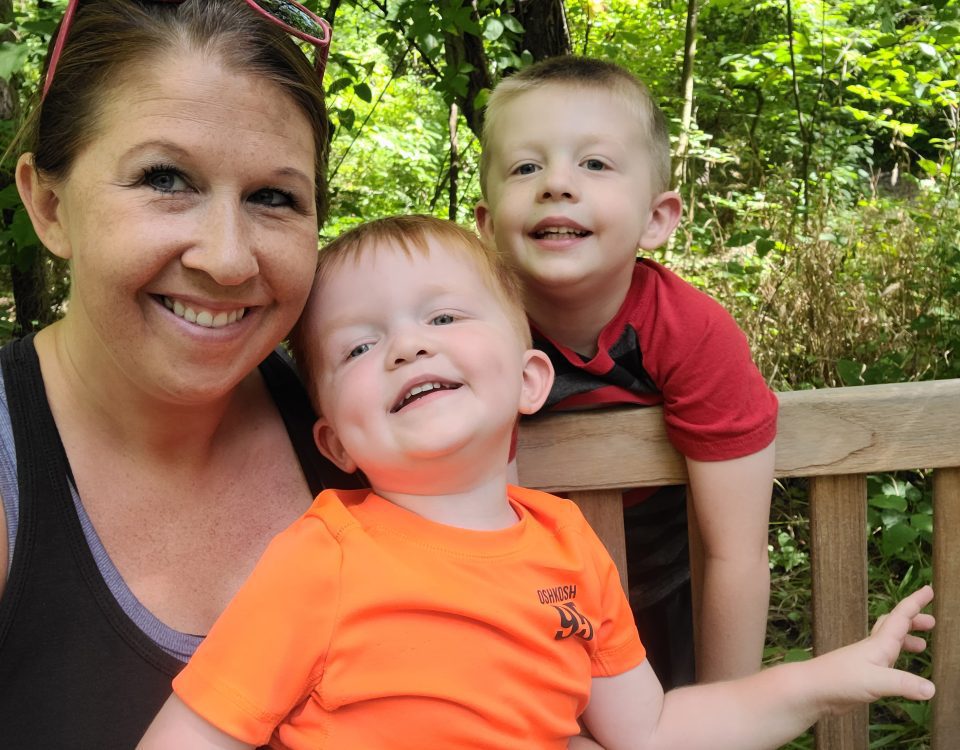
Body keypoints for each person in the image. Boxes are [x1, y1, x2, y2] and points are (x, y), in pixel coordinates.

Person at [138, 214, 935, 750]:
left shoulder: (566, 546)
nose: (408, 348)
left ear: (529, 380)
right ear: (335, 442)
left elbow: (650, 731)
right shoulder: (323, 558)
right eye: (358, 347)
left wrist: (828, 679)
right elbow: (194, 735)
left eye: (443, 318)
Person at [0, 2, 359, 747]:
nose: (227, 259)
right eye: (166, 178)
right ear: (48, 204)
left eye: (274, 197)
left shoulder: (364, 424)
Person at [474, 55, 778, 688]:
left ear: (656, 218)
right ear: (486, 224)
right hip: (530, 600)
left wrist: (725, 714)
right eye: (526, 166)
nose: (556, 183)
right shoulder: (477, 340)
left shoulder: (691, 330)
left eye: (595, 163)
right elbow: (483, 534)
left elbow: (736, 553)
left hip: (670, 585)